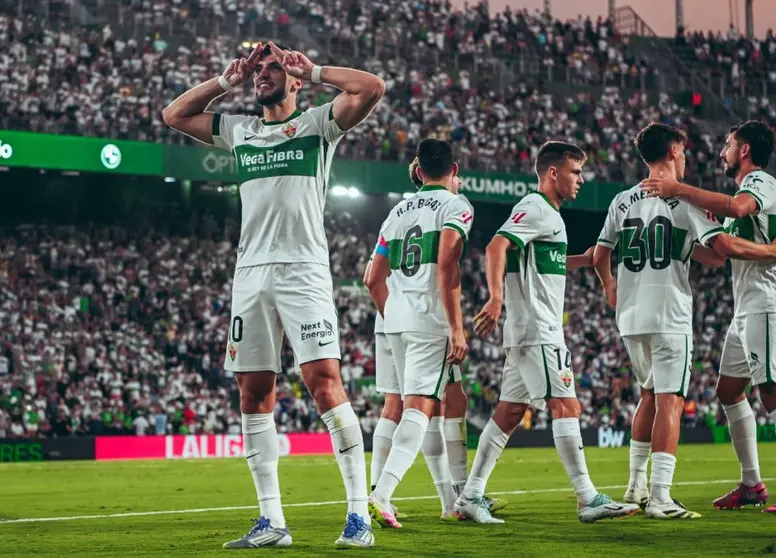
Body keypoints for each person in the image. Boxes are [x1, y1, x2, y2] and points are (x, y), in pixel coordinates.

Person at [162, 41, 386, 548]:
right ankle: (272, 522)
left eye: (273, 67)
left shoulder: (318, 124)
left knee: (324, 382)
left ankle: (358, 516)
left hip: (303, 270)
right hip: (251, 273)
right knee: (252, 392)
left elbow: (371, 87)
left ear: (294, 79)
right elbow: (174, 114)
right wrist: (225, 82)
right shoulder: (240, 130)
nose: (263, 74)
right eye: (259, 68)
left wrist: (314, 67)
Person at [593, 123, 776, 519]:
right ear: (674, 149)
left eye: (727, 145)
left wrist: (609, 286)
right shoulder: (684, 203)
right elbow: (721, 248)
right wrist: (769, 250)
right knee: (678, 400)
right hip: (673, 313)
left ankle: (636, 485)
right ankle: (663, 494)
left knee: (655, 394)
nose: (708, 154)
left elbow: (599, 253)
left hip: (635, 315)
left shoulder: (623, 200)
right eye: (686, 150)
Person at [458, 141, 637, 524]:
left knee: (509, 413)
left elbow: (539, 264)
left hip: (529, 332)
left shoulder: (551, 216)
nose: (581, 180)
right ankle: (588, 498)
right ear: (553, 173)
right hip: (539, 330)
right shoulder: (536, 207)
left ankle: (470, 496)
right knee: (566, 406)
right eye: (575, 172)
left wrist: (582, 260)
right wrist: (495, 298)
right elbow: (496, 246)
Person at [364, 149, 507, 526]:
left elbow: (372, 279)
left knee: (410, 405)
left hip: (394, 319)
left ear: (420, 170)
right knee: (420, 408)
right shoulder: (455, 205)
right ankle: (382, 494)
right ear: (454, 169)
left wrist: (395, 314)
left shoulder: (396, 212)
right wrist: (456, 327)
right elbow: (447, 263)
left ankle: (450, 500)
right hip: (429, 319)